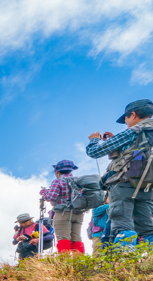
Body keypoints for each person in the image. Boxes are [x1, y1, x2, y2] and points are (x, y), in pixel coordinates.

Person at [85, 99, 153, 248]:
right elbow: (139, 153)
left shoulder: (132, 131)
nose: (127, 124)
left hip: (124, 185)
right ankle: (149, 263)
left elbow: (94, 152)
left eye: (126, 119)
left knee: (122, 224)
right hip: (147, 186)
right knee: (147, 227)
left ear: (133, 115)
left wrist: (94, 140)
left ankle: (125, 263)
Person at [40, 160, 86, 254]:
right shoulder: (78, 181)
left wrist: (44, 192)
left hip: (63, 213)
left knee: (63, 238)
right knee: (76, 238)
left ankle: (65, 264)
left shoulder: (58, 181)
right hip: (78, 213)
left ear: (57, 171)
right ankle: (80, 263)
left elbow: (51, 197)